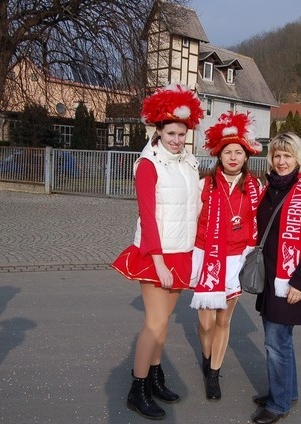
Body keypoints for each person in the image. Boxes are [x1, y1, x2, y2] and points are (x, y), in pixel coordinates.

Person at [111, 84, 204, 420]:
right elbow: (148, 217)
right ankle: (137, 389)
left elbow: (195, 207)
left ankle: (154, 376)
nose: (177, 140)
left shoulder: (190, 163)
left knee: (163, 323)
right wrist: (159, 262)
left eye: (182, 134)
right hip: (156, 253)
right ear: (159, 131)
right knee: (155, 321)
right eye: (171, 133)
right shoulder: (149, 164)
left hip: (182, 250)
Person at [250, 132, 301, 424]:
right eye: (277, 156)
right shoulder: (269, 189)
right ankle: (286, 391)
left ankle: (278, 404)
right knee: (282, 339)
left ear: (299, 159)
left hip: (291, 278)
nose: (281, 161)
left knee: (276, 341)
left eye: (288, 156)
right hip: (270, 277)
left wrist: (299, 281)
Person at [189, 111, 263, 400]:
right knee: (205, 323)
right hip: (207, 257)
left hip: (236, 260)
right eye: (228, 152)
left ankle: (214, 373)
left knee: (223, 321)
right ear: (219, 156)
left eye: (238, 152)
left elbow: (262, 222)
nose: (233, 157)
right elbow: (189, 220)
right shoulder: (204, 185)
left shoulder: (256, 188)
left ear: (246, 156)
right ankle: (207, 356)